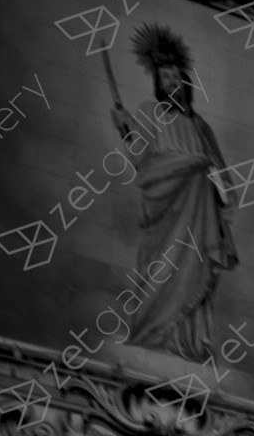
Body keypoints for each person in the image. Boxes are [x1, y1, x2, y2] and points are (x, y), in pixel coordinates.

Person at [102, 23, 238, 364]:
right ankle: (153, 334)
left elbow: (222, 175)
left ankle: (188, 343)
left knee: (193, 273)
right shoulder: (151, 113)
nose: (172, 83)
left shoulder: (200, 126)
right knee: (160, 274)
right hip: (166, 215)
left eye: (177, 77)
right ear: (158, 84)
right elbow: (140, 159)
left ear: (186, 81)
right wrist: (125, 127)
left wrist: (216, 188)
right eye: (165, 78)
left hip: (199, 214)